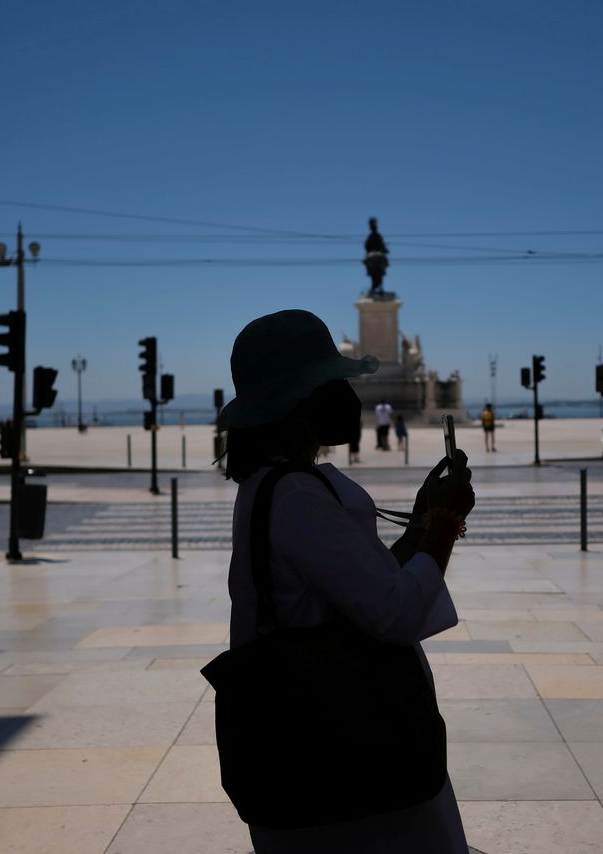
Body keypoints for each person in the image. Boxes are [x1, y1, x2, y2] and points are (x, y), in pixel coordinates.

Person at [215, 309, 474, 853]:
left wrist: (423, 522)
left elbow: (368, 581)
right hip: (345, 759)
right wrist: (446, 528)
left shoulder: (275, 485)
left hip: (327, 758)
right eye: (333, 382)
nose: (348, 394)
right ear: (298, 402)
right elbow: (394, 613)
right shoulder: (297, 495)